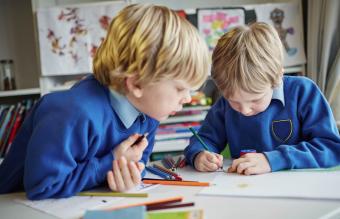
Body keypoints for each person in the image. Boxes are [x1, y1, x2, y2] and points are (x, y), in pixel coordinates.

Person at [0, 4, 209, 200]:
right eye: (181, 89)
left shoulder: (148, 111)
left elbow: (138, 165)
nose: (189, 98)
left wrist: (126, 175)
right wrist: (110, 164)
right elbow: (42, 186)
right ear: (136, 84)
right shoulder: (71, 113)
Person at [184, 22, 340, 175]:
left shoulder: (303, 92)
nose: (244, 110)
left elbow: (331, 148)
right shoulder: (225, 104)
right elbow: (204, 139)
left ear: (277, 77)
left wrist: (274, 159)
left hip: (298, 190)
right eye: (234, 101)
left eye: (255, 100)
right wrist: (199, 154)